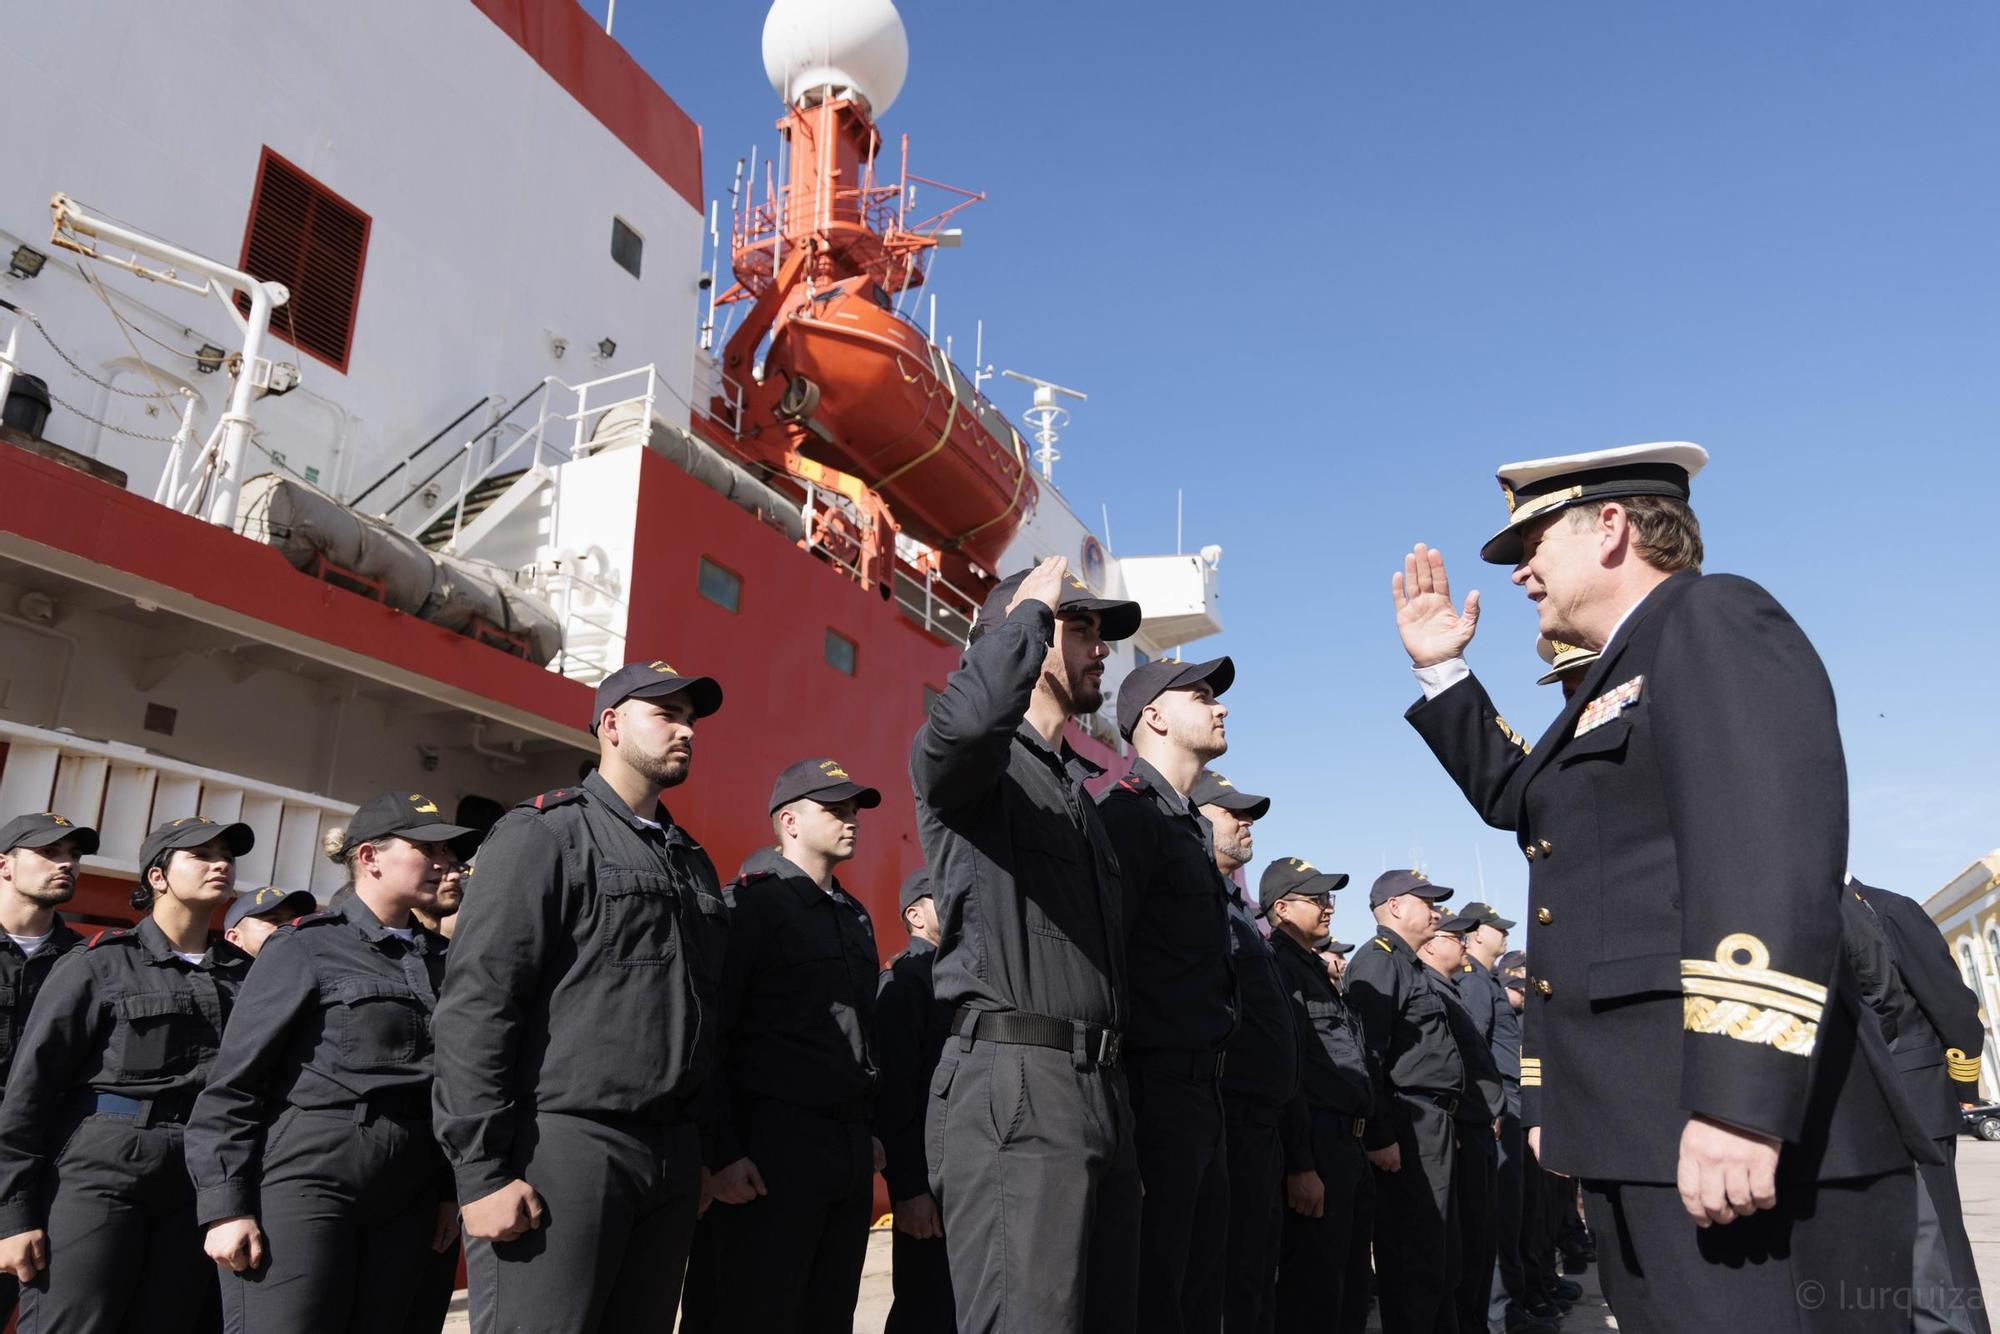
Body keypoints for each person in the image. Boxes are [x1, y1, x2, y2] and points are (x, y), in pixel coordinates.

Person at [1394, 441, 1921, 1330]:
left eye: (1533, 542)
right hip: (1649, 1129)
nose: (1520, 570)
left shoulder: (1710, 619)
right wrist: (1443, 672)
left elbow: (1767, 853)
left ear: (1611, 527)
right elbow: (1530, 801)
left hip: (1728, 1130)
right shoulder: (1621, 672)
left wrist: (1740, 1100)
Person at [432, 659, 729, 1333]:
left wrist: (700, 1153)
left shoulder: (691, 862)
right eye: (667, 715)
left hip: (670, 1156)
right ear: (613, 725)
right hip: (565, 1146)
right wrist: (479, 1173)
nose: (686, 732)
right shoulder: (545, 833)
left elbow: (703, 1014)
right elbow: (480, 1002)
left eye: (690, 720)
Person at [909, 555, 1143, 1334]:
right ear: (1026, 638)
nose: (1100, 648)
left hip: (1097, 1089)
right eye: (1080, 630)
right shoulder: (983, 770)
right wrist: (1024, 620)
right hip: (1017, 1084)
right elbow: (967, 726)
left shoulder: (1071, 790)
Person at [185, 792, 470, 1333]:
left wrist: (444, 1191)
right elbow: (235, 1083)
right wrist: (227, 1207)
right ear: (370, 857)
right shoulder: (306, 946)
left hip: (410, 1180)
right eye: (427, 848)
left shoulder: (446, 962)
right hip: (312, 1171)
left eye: (451, 852)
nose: (445, 863)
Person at [0, 815, 253, 1332]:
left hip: (199, 1173)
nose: (220, 864)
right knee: (74, 1321)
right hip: (103, 1166)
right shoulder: (97, 964)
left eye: (225, 855)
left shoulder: (248, 975)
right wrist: (15, 1213)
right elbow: (33, 1090)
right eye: (201, 855)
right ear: (157, 877)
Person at [706, 759, 884, 1334]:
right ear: (788, 821)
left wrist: (870, 1135)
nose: (851, 818)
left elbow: (863, 1035)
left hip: (845, 1150)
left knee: (828, 1313)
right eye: (835, 808)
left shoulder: (853, 916)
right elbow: (713, 1031)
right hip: (771, 1149)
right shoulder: (749, 906)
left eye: (854, 808)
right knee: (754, 1310)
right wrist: (723, 1151)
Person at [1096, 655, 1238, 1334]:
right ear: (1153, 716)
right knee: (1151, 1289)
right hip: (1149, 1093)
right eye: (1202, 695)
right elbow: (1104, 964)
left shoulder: (1186, 828)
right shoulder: (1126, 817)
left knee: (1197, 1287)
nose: (1222, 707)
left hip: (1201, 1095)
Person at [1846, 879, 1990, 1334]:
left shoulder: (1889, 909)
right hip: (1867, 1107)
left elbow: (1951, 1004)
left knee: (1942, 1243)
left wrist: (1963, 1084)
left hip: (1918, 1096)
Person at [1192, 770, 1297, 1334]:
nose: (1246, 820)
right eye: (1232, 811)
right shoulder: (1199, 904)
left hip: (1260, 1127)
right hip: (1223, 1117)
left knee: (1255, 1275)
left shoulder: (1237, 911)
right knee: (1225, 1279)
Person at [1343, 868, 1463, 1334]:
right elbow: (1366, 1054)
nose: (1435, 910)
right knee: (1415, 1256)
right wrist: (1380, 1133)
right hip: (1407, 1124)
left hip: (1432, 1123)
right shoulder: (1379, 961)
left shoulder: (1408, 964)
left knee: (1440, 1257)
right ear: (1394, 907)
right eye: (1425, 900)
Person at [1262, 859, 1374, 1334]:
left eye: (1330, 897)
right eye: (1317, 898)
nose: (1329, 907)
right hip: (1318, 1143)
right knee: (1315, 1287)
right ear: (1282, 908)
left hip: (1347, 1144)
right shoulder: (1281, 968)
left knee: (1350, 1285)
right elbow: (1294, 1073)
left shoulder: (1313, 969)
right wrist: (1301, 1164)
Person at [0, 812, 96, 1318]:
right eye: (49, 852)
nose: (66, 864)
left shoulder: (87, 962)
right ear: (4, 865)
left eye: (73, 855)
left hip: (37, 1179)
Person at [875, 868, 955, 1334]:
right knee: (926, 1309)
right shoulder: (906, 982)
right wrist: (909, 1188)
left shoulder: (958, 980)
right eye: (944, 896)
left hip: (963, 1177)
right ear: (915, 914)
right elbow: (895, 1095)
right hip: (929, 1183)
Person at [1418, 918, 1506, 1334]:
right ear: (1431, 947)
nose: (1462, 942)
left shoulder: (1451, 987)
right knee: (1463, 1247)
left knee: (1480, 1240)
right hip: (1460, 1129)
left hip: (1478, 1125)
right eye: (1453, 936)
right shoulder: (1432, 988)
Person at [219, 886, 317, 959]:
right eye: (274, 920)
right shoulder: (220, 984)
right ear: (235, 938)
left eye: (292, 920)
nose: (289, 926)